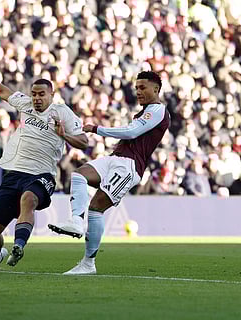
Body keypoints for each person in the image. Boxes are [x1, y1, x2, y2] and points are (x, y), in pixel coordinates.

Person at [0, 64, 88, 271]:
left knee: (29, 199)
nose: (37, 98)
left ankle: (18, 246)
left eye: (41, 94)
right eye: (34, 94)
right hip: (15, 174)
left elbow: (84, 142)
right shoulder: (25, 105)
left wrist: (64, 135)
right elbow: (2, 90)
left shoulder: (62, 113)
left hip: (42, 174)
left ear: (52, 95)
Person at [48, 71, 171, 275]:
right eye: (136, 88)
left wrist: (97, 129)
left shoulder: (157, 110)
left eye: (143, 88)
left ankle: (88, 263)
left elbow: (131, 132)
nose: (138, 92)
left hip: (129, 166)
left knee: (96, 208)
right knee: (79, 175)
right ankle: (77, 222)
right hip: (115, 158)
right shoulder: (145, 111)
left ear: (156, 89)